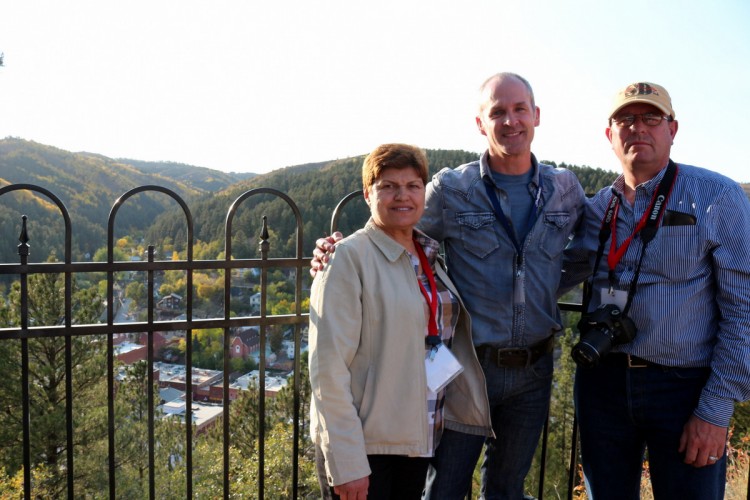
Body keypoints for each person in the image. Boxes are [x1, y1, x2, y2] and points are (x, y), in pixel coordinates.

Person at [312, 73, 587, 499]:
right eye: (497, 112)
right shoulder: (453, 190)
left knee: (507, 490)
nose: (510, 121)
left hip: (535, 370)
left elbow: (591, 249)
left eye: (519, 109)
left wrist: (544, 284)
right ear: (480, 123)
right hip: (467, 369)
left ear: (536, 115)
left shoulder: (565, 189)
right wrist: (336, 249)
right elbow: (393, 229)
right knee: (445, 491)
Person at [561, 82, 750, 499]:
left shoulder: (717, 197)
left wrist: (716, 408)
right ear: (609, 134)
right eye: (625, 119)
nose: (638, 127)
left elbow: (744, 310)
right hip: (602, 384)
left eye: (651, 117)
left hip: (684, 389)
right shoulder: (597, 208)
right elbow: (553, 275)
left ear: (672, 129)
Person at [308, 143, 492, 500]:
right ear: (368, 194)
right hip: (366, 447)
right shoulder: (347, 258)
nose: (402, 195)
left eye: (412, 185)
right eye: (388, 186)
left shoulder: (429, 255)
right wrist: (347, 462)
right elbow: (327, 370)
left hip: (416, 440)